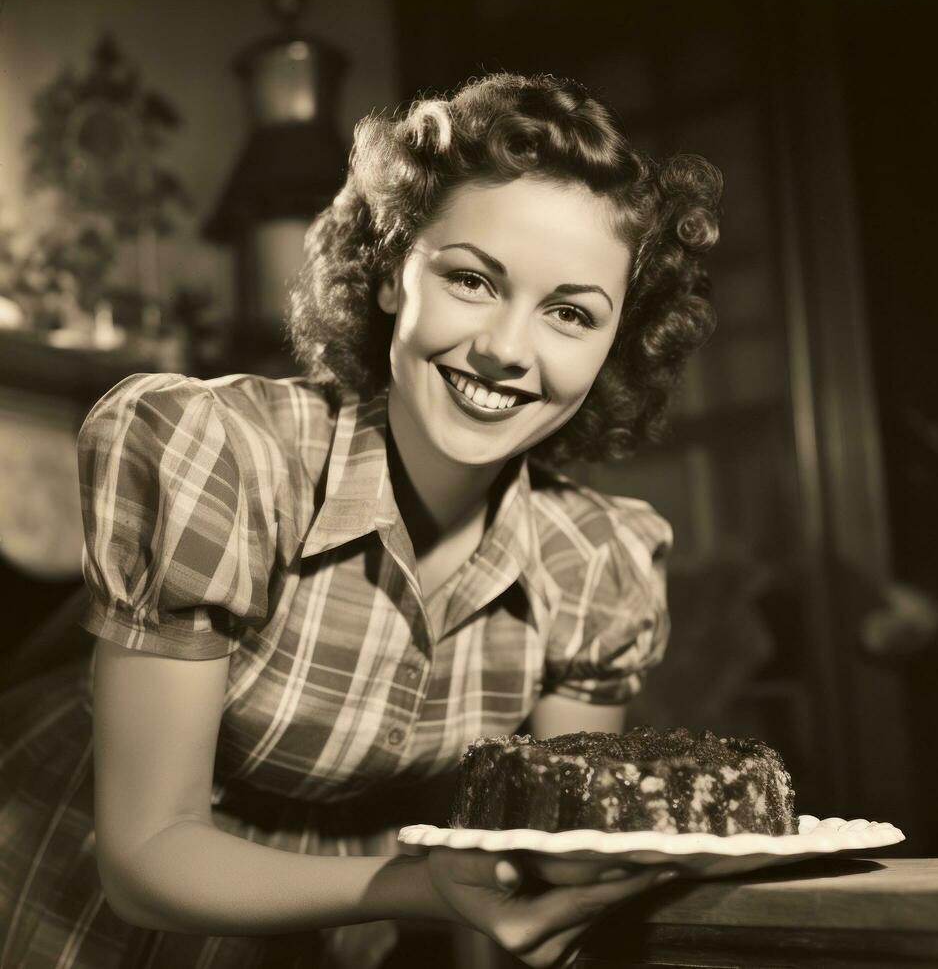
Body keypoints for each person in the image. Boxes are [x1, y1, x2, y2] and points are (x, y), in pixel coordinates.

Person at [0, 72, 721, 968]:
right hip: (69, 920)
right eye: (471, 280)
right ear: (389, 271)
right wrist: (420, 890)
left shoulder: (597, 564)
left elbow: (538, 865)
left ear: (617, 344)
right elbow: (144, 857)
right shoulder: (225, 453)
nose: (505, 349)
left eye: (571, 313)